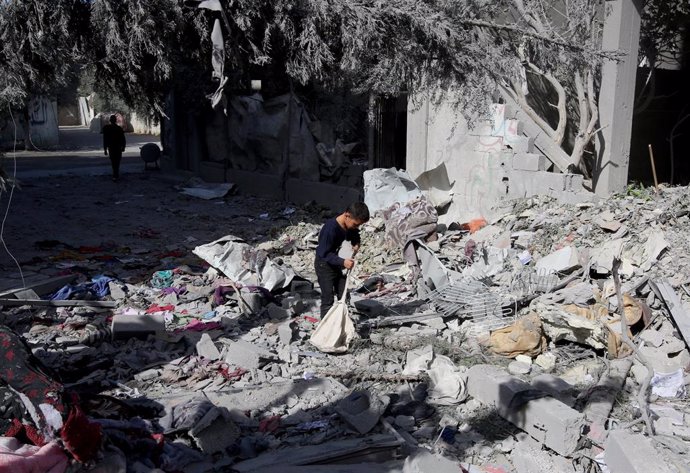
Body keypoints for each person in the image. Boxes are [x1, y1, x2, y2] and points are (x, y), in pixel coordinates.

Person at [314, 202, 370, 316]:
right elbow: (323, 253)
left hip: (338, 265)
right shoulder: (330, 229)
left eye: (358, 225)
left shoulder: (349, 225)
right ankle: (326, 328)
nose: (356, 227)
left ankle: (343, 321)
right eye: (355, 224)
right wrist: (343, 262)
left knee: (343, 294)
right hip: (324, 266)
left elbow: (354, 233)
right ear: (347, 215)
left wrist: (356, 243)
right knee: (328, 298)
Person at [102, 115, 126, 181]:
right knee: (117, 161)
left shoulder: (106, 128)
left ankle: (115, 174)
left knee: (113, 161)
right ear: (115, 120)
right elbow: (123, 139)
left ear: (110, 120)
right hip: (118, 147)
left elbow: (105, 139)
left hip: (111, 147)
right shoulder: (119, 129)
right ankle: (116, 174)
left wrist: (105, 149)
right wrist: (123, 147)